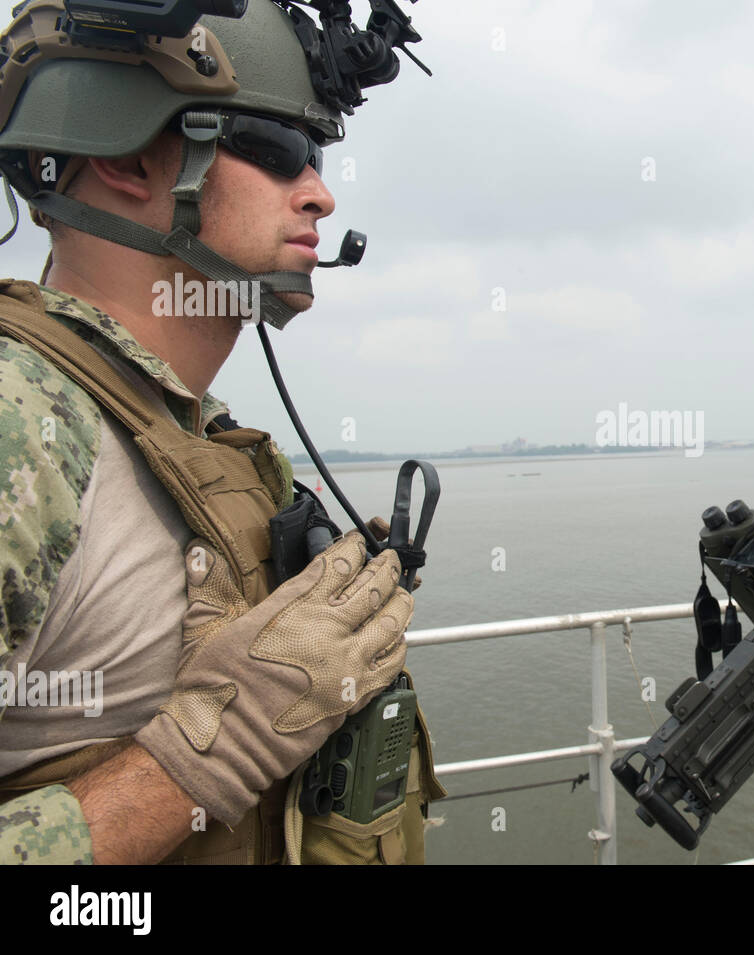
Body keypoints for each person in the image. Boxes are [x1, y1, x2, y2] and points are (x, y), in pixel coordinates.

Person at [0, 0, 439, 864]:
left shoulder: (202, 436)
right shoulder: (24, 430)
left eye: (315, 155)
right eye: (278, 151)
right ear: (127, 156)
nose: (319, 191)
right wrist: (200, 757)